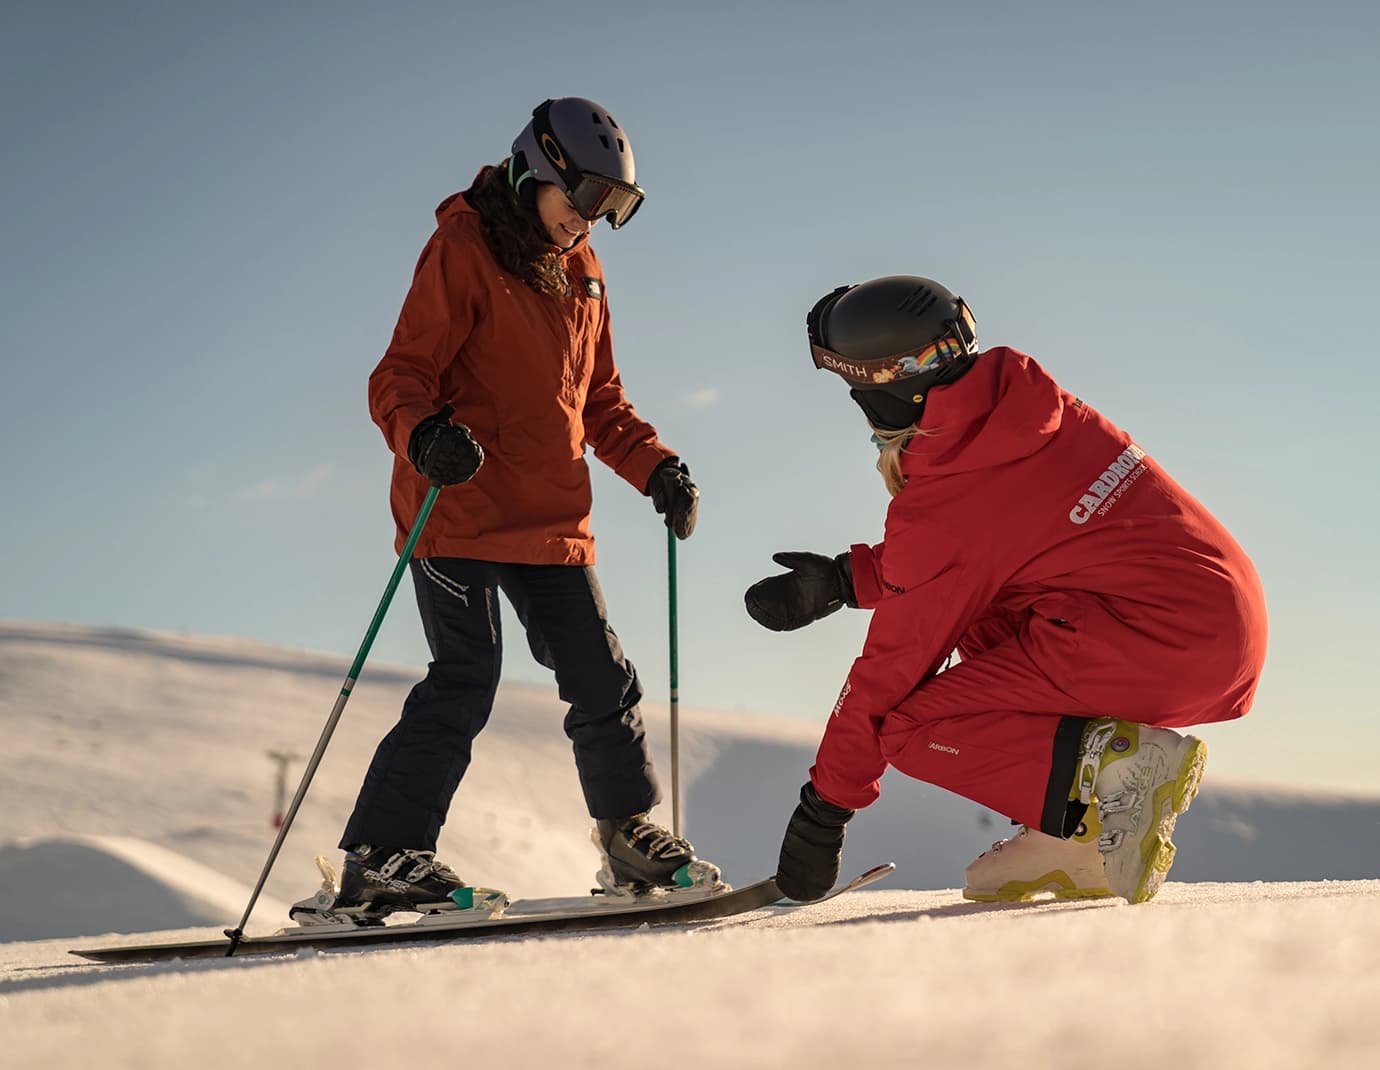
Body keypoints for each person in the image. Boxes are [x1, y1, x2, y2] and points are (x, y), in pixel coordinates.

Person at [317, 97, 719, 922]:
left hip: (552, 519)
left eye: (610, 211)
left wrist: (656, 468)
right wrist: (424, 434)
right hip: (457, 507)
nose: (589, 225)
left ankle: (624, 835)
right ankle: (380, 859)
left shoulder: (585, 274)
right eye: (582, 203)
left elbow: (600, 403)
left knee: (602, 676)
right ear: (535, 172)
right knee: (466, 678)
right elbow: (398, 375)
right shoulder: (463, 246)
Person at [745, 275, 1267, 905]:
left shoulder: (952, 497)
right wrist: (843, 580)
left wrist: (823, 812)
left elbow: (888, 674)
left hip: (1156, 642)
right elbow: (990, 551)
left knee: (905, 727)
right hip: (1205, 621)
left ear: (889, 389)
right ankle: (1074, 841)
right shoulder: (1020, 416)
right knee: (983, 620)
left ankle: (1117, 764)